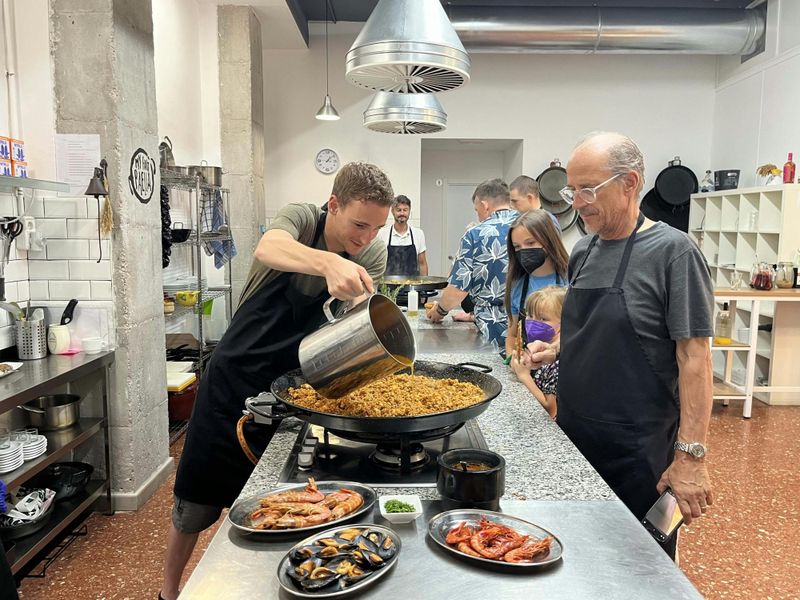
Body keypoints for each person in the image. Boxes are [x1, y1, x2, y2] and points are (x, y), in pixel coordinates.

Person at [160, 162, 394, 600]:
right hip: (235, 377)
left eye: (377, 228)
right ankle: (168, 591)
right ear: (334, 204)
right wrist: (326, 262)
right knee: (195, 499)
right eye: (359, 224)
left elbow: (352, 323)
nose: (366, 238)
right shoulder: (303, 219)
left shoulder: (370, 252)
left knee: (286, 504)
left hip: (296, 386)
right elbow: (269, 247)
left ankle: (269, 588)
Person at [524, 132, 714, 558]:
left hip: (638, 448)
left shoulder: (674, 253)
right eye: (572, 190)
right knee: (574, 555)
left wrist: (691, 457)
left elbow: (695, 359)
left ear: (630, 183)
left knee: (637, 563)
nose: (576, 201)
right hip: (574, 434)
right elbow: (595, 328)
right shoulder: (584, 250)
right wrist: (557, 350)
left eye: (588, 189)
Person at [425, 178, 516, 350]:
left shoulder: (476, 234)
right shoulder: (532, 225)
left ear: (485, 205)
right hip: (532, 323)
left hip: (494, 329)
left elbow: (457, 291)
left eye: (477, 210)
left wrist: (439, 311)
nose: (478, 215)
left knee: (500, 374)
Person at [503, 209, 568, 359]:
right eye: (517, 247)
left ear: (549, 240)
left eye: (530, 243)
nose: (524, 251)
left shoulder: (572, 280)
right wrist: (513, 357)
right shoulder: (518, 285)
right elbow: (512, 336)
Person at [510, 285, 566, 419]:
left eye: (543, 319)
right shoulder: (540, 348)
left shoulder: (556, 363)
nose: (533, 322)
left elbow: (551, 410)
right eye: (530, 315)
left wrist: (524, 376)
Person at [377, 194, 428, 276]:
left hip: (412, 286)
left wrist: (425, 287)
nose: (402, 213)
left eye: (405, 210)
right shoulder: (382, 233)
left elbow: (422, 264)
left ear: (409, 211)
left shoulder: (418, 234)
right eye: (399, 210)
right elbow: (377, 262)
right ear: (392, 211)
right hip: (387, 286)